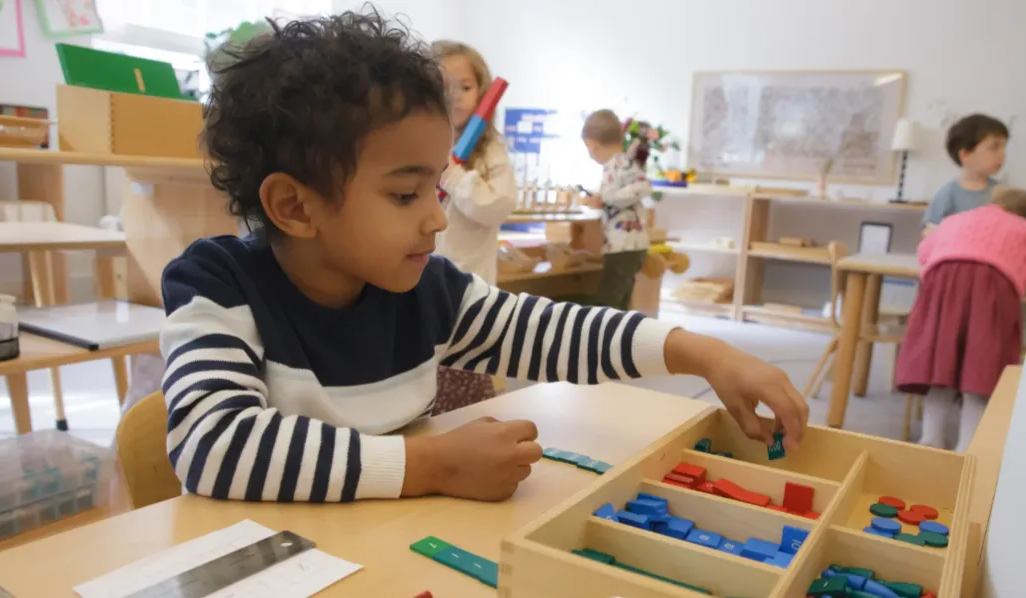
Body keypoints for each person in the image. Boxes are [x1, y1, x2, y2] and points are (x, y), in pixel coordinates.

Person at [160, 10, 808, 504]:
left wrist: (704, 352)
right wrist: (433, 465)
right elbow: (214, 445)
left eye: (436, 188)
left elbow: (549, 331)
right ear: (296, 208)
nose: (437, 216)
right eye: (406, 193)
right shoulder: (218, 287)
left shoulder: (426, 289)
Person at [897, 187, 1026, 452]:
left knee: (940, 366)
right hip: (993, 286)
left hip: (942, 282)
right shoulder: (1022, 229)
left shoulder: (956, 220)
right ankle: (968, 447)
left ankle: (930, 438)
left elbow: (924, 253)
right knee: (982, 370)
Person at [427, 40, 517, 415]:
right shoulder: (423, 140)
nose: (456, 98)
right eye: (445, 89)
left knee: (466, 363)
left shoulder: (490, 148)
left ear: (481, 89)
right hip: (420, 276)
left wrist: (456, 177)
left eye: (465, 87)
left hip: (470, 278)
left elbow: (497, 205)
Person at [581, 109, 652, 310]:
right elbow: (618, 191)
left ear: (591, 145)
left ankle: (608, 339)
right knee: (619, 299)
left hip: (625, 245)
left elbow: (642, 186)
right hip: (623, 244)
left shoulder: (621, 162)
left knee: (610, 301)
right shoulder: (617, 165)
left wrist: (604, 199)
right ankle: (618, 338)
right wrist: (599, 198)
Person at [922, 114, 1009, 237]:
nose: (1002, 154)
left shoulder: (1004, 193)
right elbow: (929, 232)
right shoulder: (947, 194)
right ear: (965, 155)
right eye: (994, 147)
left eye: (1003, 147)